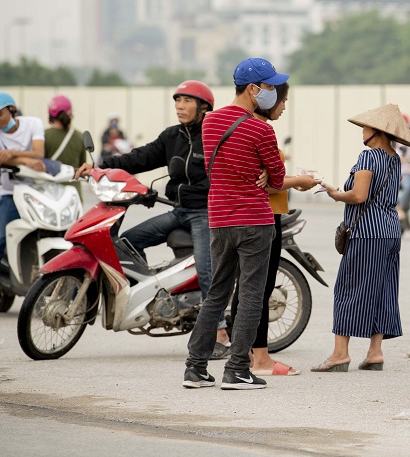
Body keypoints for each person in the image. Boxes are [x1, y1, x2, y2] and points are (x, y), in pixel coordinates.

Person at [75, 81, 233, 357]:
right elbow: (139, 158)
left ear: (204, 107)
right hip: (178, 210)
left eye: (187, 101)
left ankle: (219, 331)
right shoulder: (171, 136)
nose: (180, 106)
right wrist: (100, 166)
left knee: (208, 270)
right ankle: (156, 296)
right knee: (126, 242)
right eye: (177, 101)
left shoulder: (214, 135)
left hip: (205, 213)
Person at [183, 58, 287, 390]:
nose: (272, 92)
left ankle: (196, 368)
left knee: (217, 293)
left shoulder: (209, 122)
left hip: (219, 218)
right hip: (254, 221)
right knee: (252, 295)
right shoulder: (261, 129)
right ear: (254, 89)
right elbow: (279, 178)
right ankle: (237, 369)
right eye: (269, 87)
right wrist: (265, 174)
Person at [314, 104, 410, 373]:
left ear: (377, 131)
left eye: (366, 127)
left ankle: (339, 354)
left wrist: (335, 194)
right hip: (391, 231)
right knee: (383, 290)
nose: (362, 130)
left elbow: (358, 195)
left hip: (367, 233)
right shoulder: (394, 159)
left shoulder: (369, 157)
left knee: (348, 289)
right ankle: (375, 352)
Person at [234, 82, 319, 377]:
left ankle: (244, 353)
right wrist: (299, 181)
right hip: (264, 216)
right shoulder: (259, 130)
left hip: (258, 215)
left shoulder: (245, 127)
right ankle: (260, 358)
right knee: (260, 288)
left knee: (246, 288)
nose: (283, 107)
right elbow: (269, 183)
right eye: (282, 101)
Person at [0, 92, 45, 263]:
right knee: (1, 238)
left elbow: (39, 152)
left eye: (0, 114)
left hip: (36, 191)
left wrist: (11, 153)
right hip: (8, 193)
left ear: (11, 110)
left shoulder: (33, 124)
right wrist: (26, 160)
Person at [44, 95, 87, 200]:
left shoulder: (43, 135)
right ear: (70, 114)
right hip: (74, 194)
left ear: (50, 114)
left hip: (50, 194)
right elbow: (82, 166)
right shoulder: (80, 137)